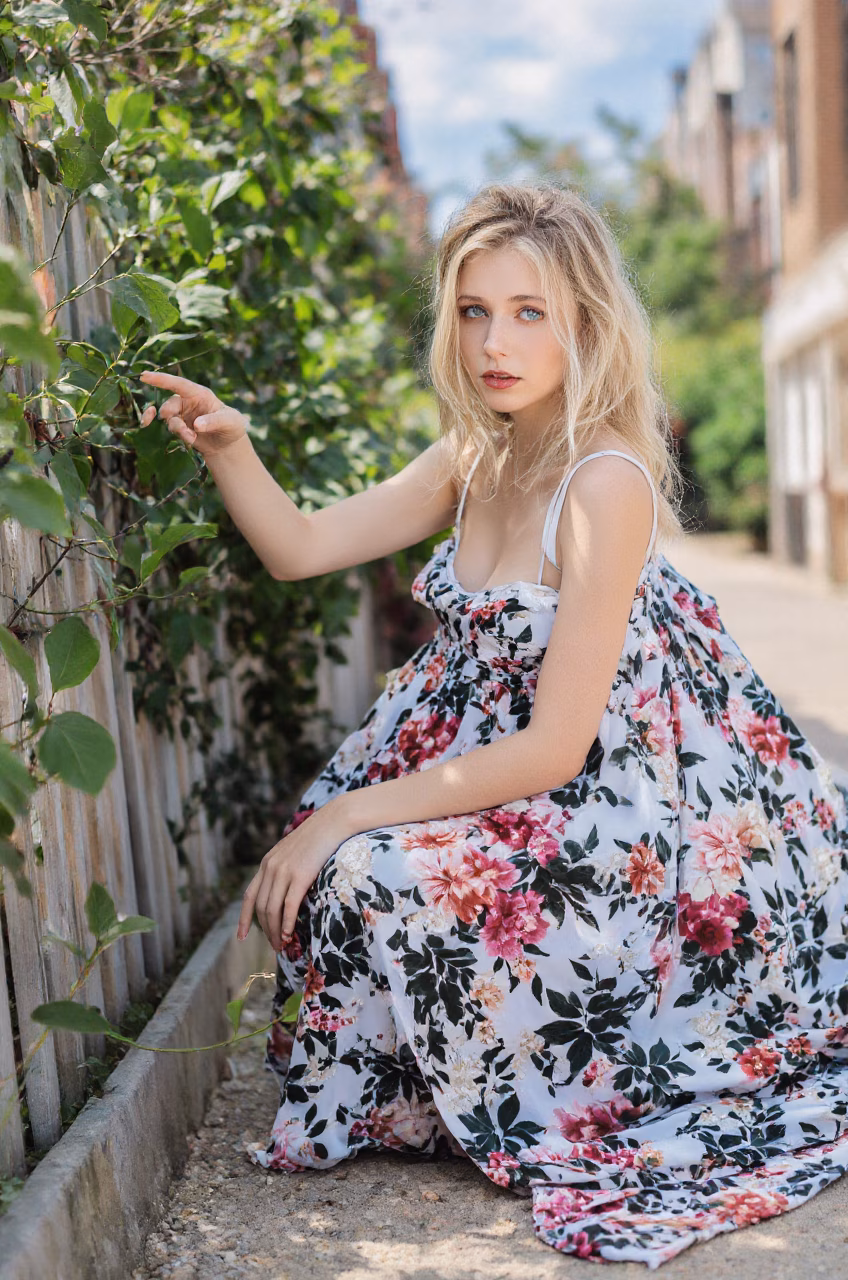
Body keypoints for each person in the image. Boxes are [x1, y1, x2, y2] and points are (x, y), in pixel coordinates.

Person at [139, 182, 848, 1268]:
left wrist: (344, 816)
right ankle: (428, 1093)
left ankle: (518, 1084)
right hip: (504, 765)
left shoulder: (602, 481)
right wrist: (228, 444)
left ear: (585, 322)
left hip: (622, 800)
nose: (493, 342)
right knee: (337, 855)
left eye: (528, 311)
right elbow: (298, 544)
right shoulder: (476, 456)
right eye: (472, 311)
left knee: (359, 857)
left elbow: (558, 746)